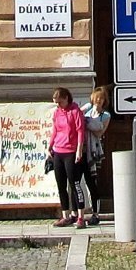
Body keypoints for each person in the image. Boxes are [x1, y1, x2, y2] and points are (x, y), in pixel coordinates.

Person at [45, 86, 85, 227]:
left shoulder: (75, 111)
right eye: (55, 102)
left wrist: (79, 150)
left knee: (74, 184)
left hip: (71, 151)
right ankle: (65, 215)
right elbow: (55, 130)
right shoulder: (57, 113)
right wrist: (50, 146)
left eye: (59, 102)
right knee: (61, 184)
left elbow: (80, 131)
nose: (58, 105)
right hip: (58, 150)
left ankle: (80, 216)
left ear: (66, 98)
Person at [76, 86, 114, 226]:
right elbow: (76, 119)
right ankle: (77, 213)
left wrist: (87, 123)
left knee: (92, 183)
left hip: (93, 151)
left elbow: (99, 132)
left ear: (104, 100)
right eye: (96, 98)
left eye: (101, 98)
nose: (98, 100)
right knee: (77, 182)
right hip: (80, 150)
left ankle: (95, 213)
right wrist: (85, 120)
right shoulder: (86, 110)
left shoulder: (105, 115)